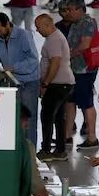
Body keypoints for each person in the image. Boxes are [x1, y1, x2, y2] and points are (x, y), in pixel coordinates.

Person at [0, 12, 40, 145]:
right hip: (12, 84)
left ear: (8, 24)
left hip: (29, 83)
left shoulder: (24, 36)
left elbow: (33, 60)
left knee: (29, 119)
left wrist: (13, 68)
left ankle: (30, 150)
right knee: (14, 118)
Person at [34, 14, 75, 161]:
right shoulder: (56, 37)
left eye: (38, 27)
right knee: (58, 117)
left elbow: (55, 63)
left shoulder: (54, 40)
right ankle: (60, 150)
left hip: (57, 84)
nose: (37, 30)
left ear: (47, 24)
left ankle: (46, 151)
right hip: (64, 83)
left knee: (47, 116)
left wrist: (45, 83)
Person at [63, 0, 99, 149]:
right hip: (73, 70)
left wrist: (69, 54)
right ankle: (66, 136)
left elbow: (85, 44)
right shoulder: (76, 23)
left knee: (86, 103)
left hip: (84, 70)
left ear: (79, 9)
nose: (68, 13)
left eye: (70, 10)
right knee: (70, 101)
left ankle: (92, 138)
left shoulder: (87, 23)